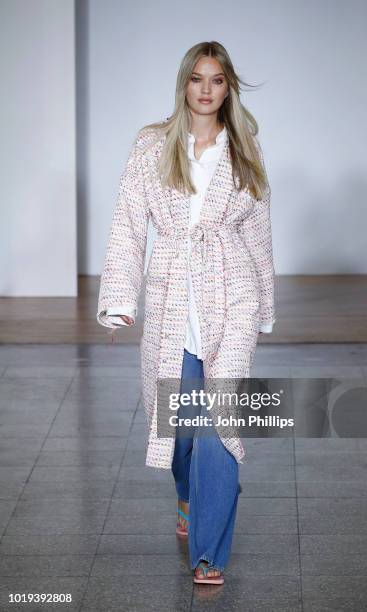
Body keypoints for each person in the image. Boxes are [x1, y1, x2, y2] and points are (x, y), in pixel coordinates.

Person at [96, 40, 276, 585]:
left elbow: (259, 231)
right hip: (174, 293)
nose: (205, 89)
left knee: (218, 424)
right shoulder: (151, 145)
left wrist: (264, 304)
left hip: (232, 294)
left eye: (216, 80)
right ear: (184, 83)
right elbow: (129, 222)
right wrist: (120, 300)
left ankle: (209, 554)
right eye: (197, 78)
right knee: (179, 429)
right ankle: (186, 493)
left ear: (228, 87)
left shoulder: (244, 148)